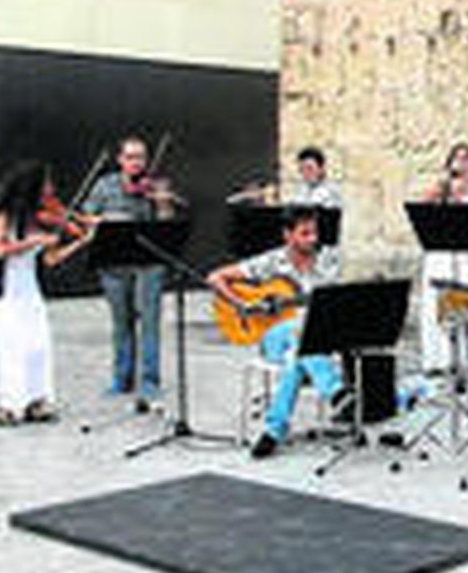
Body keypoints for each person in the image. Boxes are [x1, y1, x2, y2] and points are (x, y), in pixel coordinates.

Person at [207, 207, 348, 460]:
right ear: (287, 235)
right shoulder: (272, 262)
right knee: (296, 333)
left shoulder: (328, 261)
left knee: (297, 353)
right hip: (273, 336)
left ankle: (274, 430)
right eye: (305, 234)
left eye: (314, 233)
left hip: (312, 336)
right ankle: (335, 391)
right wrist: (242, 304)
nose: (313, 239)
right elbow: (215, 278)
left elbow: (333, 301)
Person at [0, 162, 95, 426]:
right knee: (12, 347)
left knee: (38, 344)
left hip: (30, 289)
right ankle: (9, 405)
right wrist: (34, 241)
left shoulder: (35, 219)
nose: (51, 190)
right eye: (46, 184)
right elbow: (0, 250)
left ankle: (36, 401)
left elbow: (51, 259)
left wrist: (80, 242)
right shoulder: (5, 216)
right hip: (5, 291)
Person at [81, 136, 176, 407]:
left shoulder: (155, 185)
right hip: (113, 263)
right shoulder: (104, 186)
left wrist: (162, 202)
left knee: (149, 323)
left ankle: (150, 380)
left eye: (141, 157)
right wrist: (108, 221)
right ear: (120, 160)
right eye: (131, 157)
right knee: (121, 324)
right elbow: (86, 216)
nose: (137, 163)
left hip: (147, 264)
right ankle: (121, 378)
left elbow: (166, 225)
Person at [417, 142, 468, 374]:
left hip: (467, 256)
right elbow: (422, 207)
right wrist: (444, 188)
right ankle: (438, 360)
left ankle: (467, 360)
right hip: (441, 255)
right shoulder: (441, 187)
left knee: (466, 304)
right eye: (457, 158)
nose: (461, 162)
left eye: (466, 158)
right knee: (437, 305)